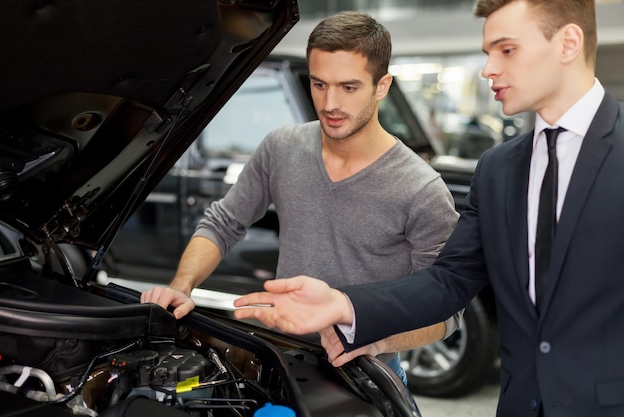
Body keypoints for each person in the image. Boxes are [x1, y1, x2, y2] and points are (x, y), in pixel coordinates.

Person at [234, 1, 624, 416]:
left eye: (506, 49)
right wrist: (344, 304)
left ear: (568, 43)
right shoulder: (498, 170)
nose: (488, 68)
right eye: (488, 51)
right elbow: (448, 281)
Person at [141, 11, 460, 384]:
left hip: (366, 374)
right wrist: (181, 286)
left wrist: (376, 342)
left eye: (349, 87)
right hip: (281, 358)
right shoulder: (282, 148)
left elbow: (446, 313)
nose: (330, 104)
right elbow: (223, 223)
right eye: (319, 84)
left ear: (382, 85)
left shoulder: (421, 189)